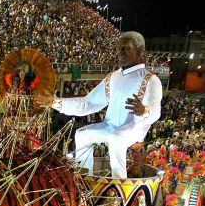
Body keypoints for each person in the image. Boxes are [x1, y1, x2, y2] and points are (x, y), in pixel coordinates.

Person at [35, 32, 162, 178]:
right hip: (110, 126)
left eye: (126, 48)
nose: (120, 52)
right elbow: (87, 103)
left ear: (140, 51)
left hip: (134, 127)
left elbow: (155, 112)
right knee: (82, 134)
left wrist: (143, 110)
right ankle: (83, 179)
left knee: (116, 138)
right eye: (119, 48)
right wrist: (54, 102)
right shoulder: (112, 78)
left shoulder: (151, 79)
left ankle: (119, 187)